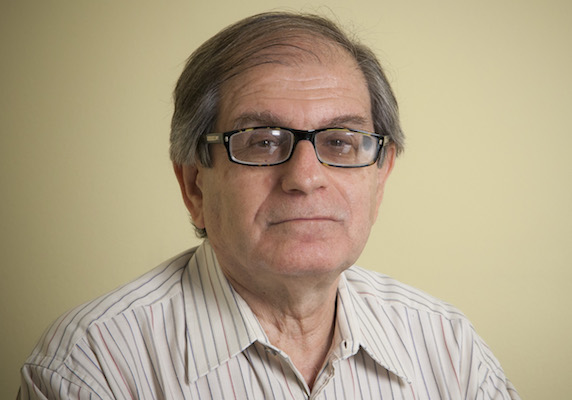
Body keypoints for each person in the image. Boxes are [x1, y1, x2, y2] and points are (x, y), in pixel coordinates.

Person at [18, 11, 519, 399]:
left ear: (380, 178)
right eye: (262, 142)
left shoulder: (450, 347)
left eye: (340, 142)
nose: (305, 178)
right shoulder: (91, 365)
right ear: (194, 185)